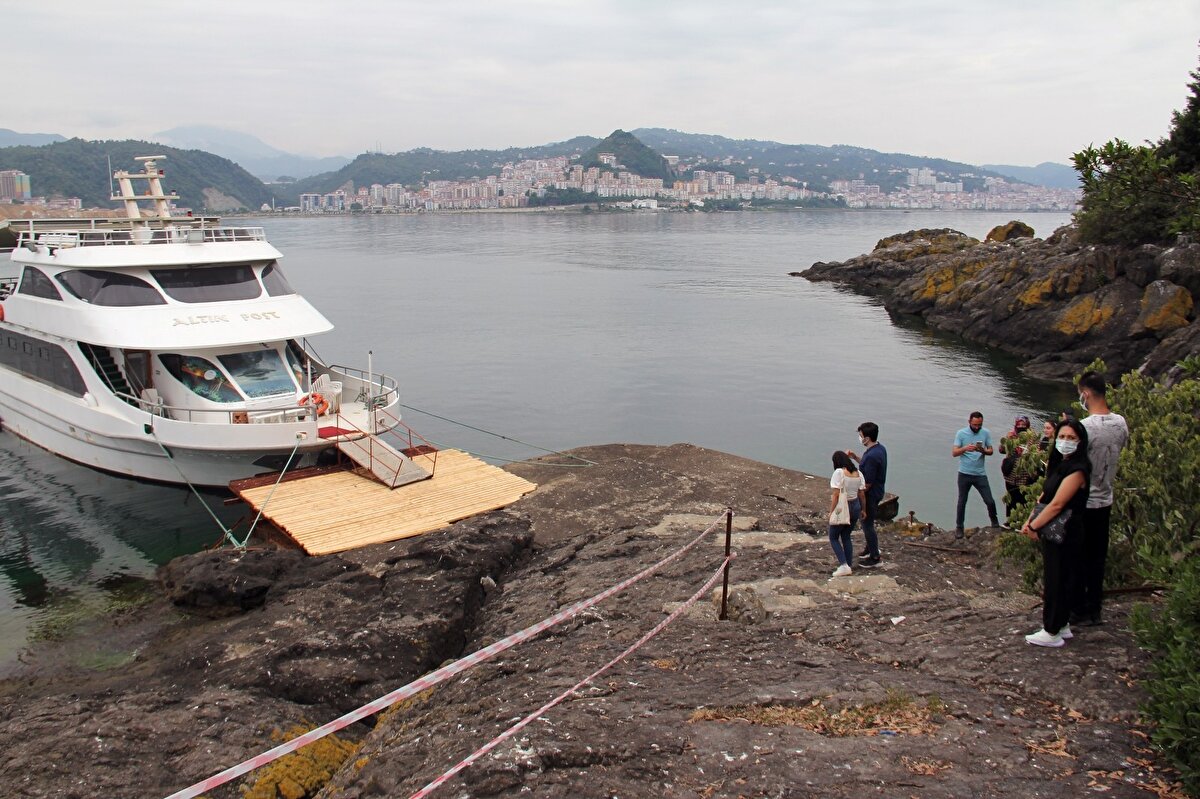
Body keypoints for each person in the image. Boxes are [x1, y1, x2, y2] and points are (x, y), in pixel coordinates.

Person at [1021, 418, 1092, 647]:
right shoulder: (1060, 464)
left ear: (1081, 441)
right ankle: (1062, 625)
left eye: (1071, 438)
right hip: (1054, 529)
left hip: (1066, 530)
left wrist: (1034, 526)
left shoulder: (1078, 470)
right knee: (1061, 576)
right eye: (1062, 437)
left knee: (1058, 579)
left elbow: (1057, 504)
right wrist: (1029, 519)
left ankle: (1051, 631)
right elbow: (1044, 497)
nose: (1065, 441)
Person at [1071, 371, 1129, 627]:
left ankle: (1078, 609)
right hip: (1106, 498)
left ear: (1085, 394)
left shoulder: (1084, 427)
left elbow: (1074, 465)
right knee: (1097, 557)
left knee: (1078, 557)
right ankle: (1095, 609)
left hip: (1083, 501)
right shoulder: (1121, 423)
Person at [952, 411, 1000, 538]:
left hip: (980, 474)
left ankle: (994, 522)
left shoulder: (985, 433)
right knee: (962, 501)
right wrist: (965, 448)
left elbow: (991, 450)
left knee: (989, 500)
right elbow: (954, 452)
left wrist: (983, 450)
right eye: (974, 425)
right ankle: (959, 527)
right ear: (969, 422)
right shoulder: (961, 433)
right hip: (964, 473)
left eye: (979, 425)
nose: (977, 427)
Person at [847, 421, 887, 568]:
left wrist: (855, 494)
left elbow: (867, 483)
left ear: (867, 438)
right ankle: (869, 548)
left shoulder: (872, 456)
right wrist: (855, 457)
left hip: (871, 495)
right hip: (878, 491)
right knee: (867, 523)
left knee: (867, 524)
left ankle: (875, 556)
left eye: (861, 435)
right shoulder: (879, 449)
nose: (860, 437)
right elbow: (865, 465)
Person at [827, 451, 866, 577]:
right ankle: (848, 564)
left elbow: (836, 495)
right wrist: (863, 509)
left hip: (843, 506)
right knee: (846, 536)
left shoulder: (839, 472)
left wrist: (831, 512)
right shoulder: (858, 473)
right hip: (855, 506)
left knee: (833, 536)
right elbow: (861, 494)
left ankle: (844, 565)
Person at [1000, 415, 1038, 526]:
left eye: (1023, 425)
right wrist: (1007, 439)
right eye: (1019, 425)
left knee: (1023, 497)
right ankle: (1011, 520)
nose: (1021, 427)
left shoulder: (1032, 436)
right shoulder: (1011, 435)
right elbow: (1001, 450)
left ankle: (1022, 520)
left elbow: (1035, 452)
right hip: (1011, 472)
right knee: (1011, 496)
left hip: (1025, 472)